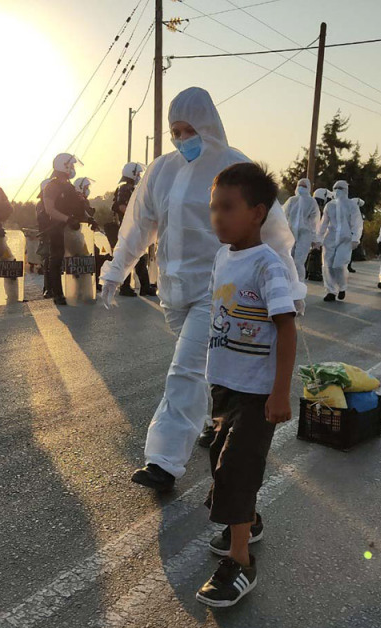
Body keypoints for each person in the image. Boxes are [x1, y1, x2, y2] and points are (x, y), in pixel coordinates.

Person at [99, 87, 304, 492]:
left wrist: (289, 287)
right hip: (172, 291)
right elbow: (140, 225)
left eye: (189, 129)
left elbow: (274, 232)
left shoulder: (235, 167)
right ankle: (223, 421)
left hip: (221, 290)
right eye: (175, 131)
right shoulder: (161, 170)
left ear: (208, 125)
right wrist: (115, 270)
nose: (182, 138)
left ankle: (163, 460)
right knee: (211, 367)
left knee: (185, 369)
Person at [196, 162, 296, 608]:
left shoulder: (268, 266)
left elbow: (287, 329)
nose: (217, 216)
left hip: (257, 392)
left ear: (257, 213)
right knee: (220, 459)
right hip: (225, 385)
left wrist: (279, 392)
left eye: (227, 208)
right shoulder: (223, 256)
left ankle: (241, 562)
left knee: (236, 469)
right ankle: (248, 520)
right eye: (213, 207)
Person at [40, 153, 87, 306]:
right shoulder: (51, 186)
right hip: (57, 228)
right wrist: (67, 219)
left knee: (79, 258)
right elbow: (49, 209)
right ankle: (57, 293)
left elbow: (77, 206)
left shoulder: (69, 186)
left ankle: (79, 290)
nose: (73, 168)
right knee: (56, 259)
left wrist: (87, 217)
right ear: (63, 166)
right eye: (71, 166)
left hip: (72, 229)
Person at [110, 163, 155, 297]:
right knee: (133, 257)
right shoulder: (124, 188)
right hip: (129, 228)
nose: (139, 176)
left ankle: (141, 286)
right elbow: (120, 206)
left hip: (132, 227)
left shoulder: (129, 188)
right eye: (138, 174)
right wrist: (135, 217)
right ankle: (130, 287)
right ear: (132, 173)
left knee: (137, 256)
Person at [316, 180, 362, 302]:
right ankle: (330, 291)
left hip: (345, 240)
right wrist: (318, 239)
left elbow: (357, 223)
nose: (337, 191)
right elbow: (323, 224)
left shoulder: (352, 205)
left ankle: (342, 287)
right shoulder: (329, 206)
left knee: (339, 265)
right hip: (330, 239)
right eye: (335, 188)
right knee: (327, 266)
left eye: (340, 188)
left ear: (346, 190)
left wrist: (355, 238)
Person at [282, 178, 319, 283]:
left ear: (309, 188)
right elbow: (283, 215)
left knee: (299, 262)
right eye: (300, 185)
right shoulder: (292, 200)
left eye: (304, 186)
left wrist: (315, 238)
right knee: (288, 259)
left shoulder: (312, 202)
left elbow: (314, 222)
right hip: (290, 232)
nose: (301, 188)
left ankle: (298, 285)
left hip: (305, 234)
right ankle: (288, 284)